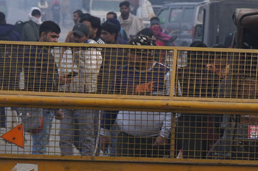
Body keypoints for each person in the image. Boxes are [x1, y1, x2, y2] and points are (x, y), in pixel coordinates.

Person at [99, 32, 171, 157]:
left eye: (134, 52)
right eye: (129, 52)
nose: (129, 55)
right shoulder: (122, 73)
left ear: (146, 53)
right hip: (126, 138)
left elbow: (174, 109)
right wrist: (104, 131)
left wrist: (164, 134)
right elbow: (110, 105)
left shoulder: (165, 73)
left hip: (155, 139)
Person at [56, 26, 101, 156]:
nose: (76, 39)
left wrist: (77, 55)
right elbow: (62, 69)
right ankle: (66, 163)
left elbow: (90, 71)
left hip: (85, 98)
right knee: (65, 136)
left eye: (79, 36)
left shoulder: (94, 50)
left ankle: (86, 164)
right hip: (68, 99)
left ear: (86, 37)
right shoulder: (68, 50)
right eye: (74, 35)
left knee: (86, 136)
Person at [21, 20, 62, 154]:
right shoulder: (39, 54)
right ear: (43, 34)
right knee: (40, 146)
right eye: (53, 36)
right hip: (42, 106)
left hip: (41, 105)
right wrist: (56, 107)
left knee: (39, 144)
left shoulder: (39, 52)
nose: (55, 41)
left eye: (57, 37)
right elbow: (42, 82)